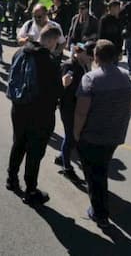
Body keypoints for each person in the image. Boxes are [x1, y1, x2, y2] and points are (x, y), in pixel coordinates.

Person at [74, 39, 131, 229]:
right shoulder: (125, 76)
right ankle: (101, 207)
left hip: (92, 136)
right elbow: (130, 104)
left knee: (94, 174)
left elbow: (81, 111)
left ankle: (100, 213)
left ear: (96, 57)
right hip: (115, 134)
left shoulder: (90, 79)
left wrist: (76, 133)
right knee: (102, 168)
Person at [6, 25, 63, 205]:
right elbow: (56, 91)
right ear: (52, 40)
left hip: (18, 107)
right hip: (39, 113)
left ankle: (11, 178)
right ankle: (31, 189)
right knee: (34, 151)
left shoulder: (20, 52)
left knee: (18, 143)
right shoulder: (48, 60)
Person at [55, 40, 95, 182]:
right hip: (68, 106)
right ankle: (67, 168)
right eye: (87, 54)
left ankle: (62, 157)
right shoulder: (69, 66)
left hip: (77, 105)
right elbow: (62, 86)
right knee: (71, 135)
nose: (90, 57)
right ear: (78, 53)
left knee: (73, 136)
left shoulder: (83, 65)